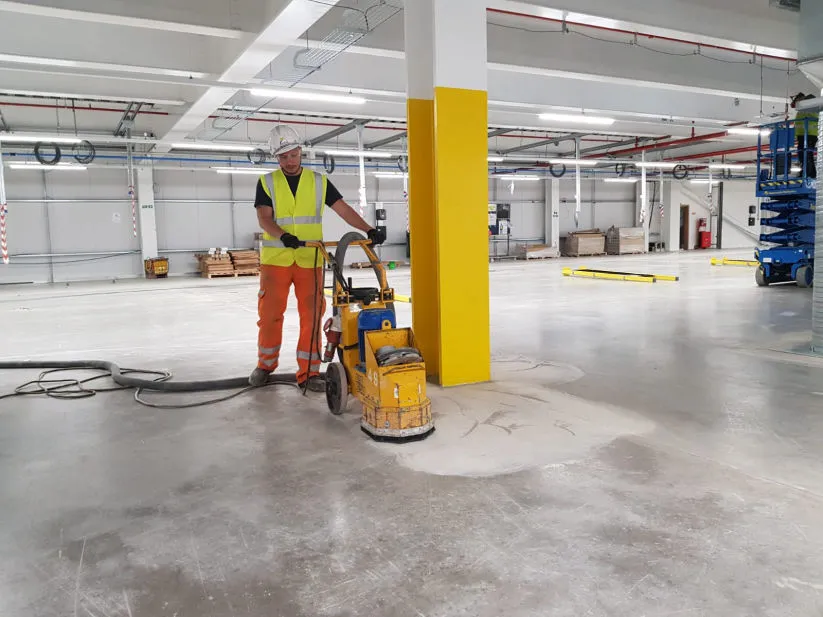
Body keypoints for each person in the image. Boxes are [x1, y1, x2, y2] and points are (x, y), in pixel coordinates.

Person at [249, 125, 386, 390]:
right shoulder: (266, 182)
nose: (289, 161)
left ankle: (309, 373)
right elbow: (264, 218)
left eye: (292, 154)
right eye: (283, 157)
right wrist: (283, 235)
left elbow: (343, 209)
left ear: (300, 151)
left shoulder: (319, 181)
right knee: (269, 316)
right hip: (276, 260)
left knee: (311, 317)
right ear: (276, 158)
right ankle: (265, 365)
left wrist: (367, 229)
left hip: (311, 259)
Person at [792, 92, 818, 179]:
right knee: (802, 155)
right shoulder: (803, 108)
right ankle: (807, 172)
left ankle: (809, 174)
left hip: (810, 134)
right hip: (803, 135)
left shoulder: (810, 104)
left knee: (807, 155)